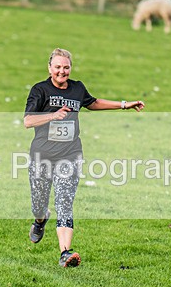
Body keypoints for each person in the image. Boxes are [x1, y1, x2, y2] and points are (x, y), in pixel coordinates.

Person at [24, 48, 145, 268]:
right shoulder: (39, 90)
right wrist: (53, 115)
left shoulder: (77, 88)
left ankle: (65, 253)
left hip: (70, 156)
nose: (62, 71)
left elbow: (92, 102)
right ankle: (40, 220)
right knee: (39, 205)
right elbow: (28, 121)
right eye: (58, 67)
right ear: (50, 68)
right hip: (41, 156)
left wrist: (124, 105)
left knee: (65, 203)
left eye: (66, 67)